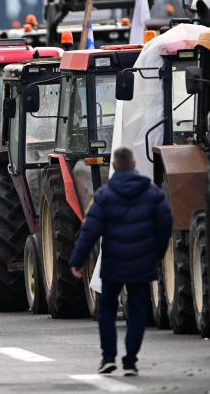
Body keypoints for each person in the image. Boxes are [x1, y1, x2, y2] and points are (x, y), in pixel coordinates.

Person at [70, 146, 173, 376]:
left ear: (114, 166)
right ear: (134, 164)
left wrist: (77, 260)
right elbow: (166, 223)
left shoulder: (104, 196)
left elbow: (90, 231)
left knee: (106, 309)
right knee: (137, 312)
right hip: (142, 264)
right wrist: (157, 253)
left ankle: (108, 358)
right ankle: (130, 361)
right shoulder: (152, 193)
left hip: (113, 265)